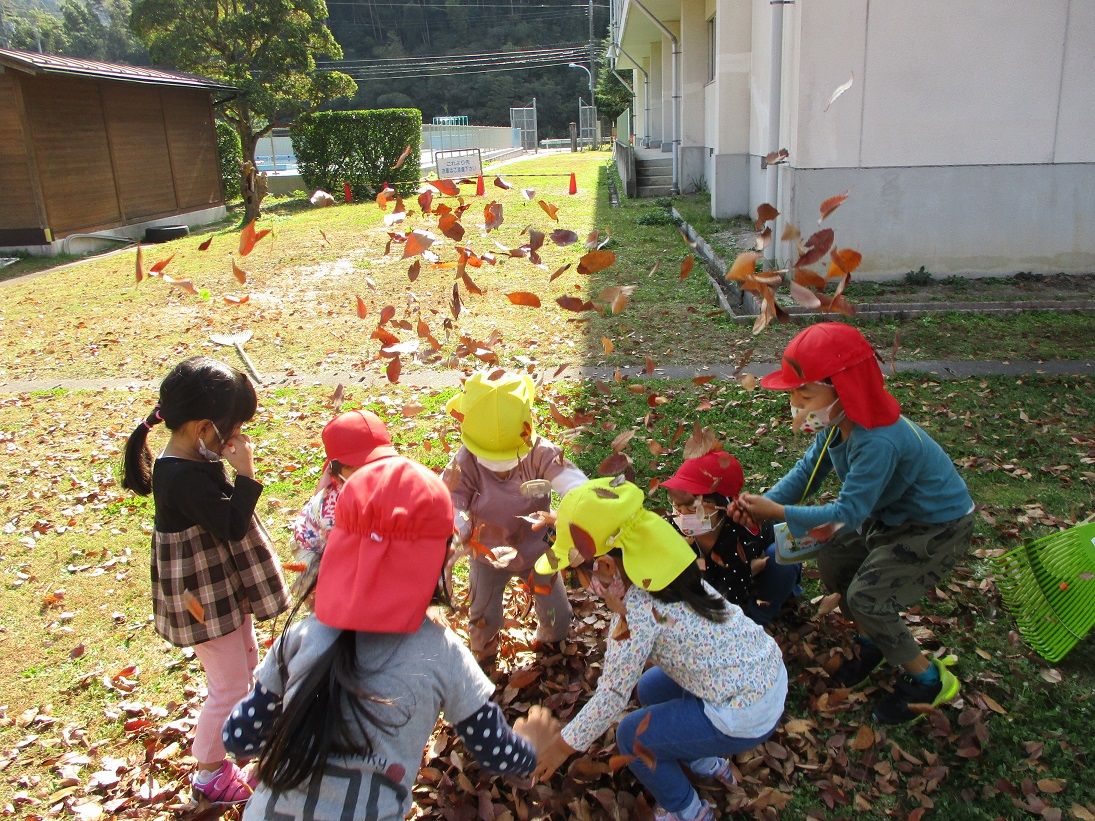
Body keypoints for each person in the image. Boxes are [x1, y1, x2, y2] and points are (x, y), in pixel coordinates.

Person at [222, 455, 555, 820]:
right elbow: (493, 750)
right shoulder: (441, 653)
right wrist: (531, 750)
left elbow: (239, 738)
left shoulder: (302, 635)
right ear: (439, 561)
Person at [732, 322, 975, 725]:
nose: (796, 403)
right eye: (794, 392)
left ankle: (929, 681)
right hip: (891, 518)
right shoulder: (840, 425)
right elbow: (808, 470)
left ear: (842, 389)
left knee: (867, 596)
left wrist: (778, 513)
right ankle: (876, 640)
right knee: (835, 561)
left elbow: (848, 513)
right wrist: (765, 502)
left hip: (936, 528)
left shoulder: (876, 440)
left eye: (804, 393)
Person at [527, 478, 788, 821]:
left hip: (744, 714)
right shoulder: (668, 569)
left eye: (578, 574)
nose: (581, 584)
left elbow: (612, 695)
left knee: (631, 736)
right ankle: (702, 758)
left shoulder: (637, 615)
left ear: (606, 567)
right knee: (650, 686)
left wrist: (560, 747)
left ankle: (688, 809)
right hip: (763, 677)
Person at [121, 357, 290, 805]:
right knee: (229, 684)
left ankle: (243, 731)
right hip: (200, 595)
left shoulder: (189, 457)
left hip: (216, 585)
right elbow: (233, 524)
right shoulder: (179, 476)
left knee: (246, 657)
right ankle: (210, 773)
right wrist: (247, 474)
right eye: (231, 429)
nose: (236, 438)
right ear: (203, 429)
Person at [442, 370, 587, 662]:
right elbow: (451, 499)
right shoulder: (466, 460)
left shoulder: (540, 453)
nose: (498, 465)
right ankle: (483, 654)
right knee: (483, 613)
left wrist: (580, 501)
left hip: (537, 546)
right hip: (488, 552)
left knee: (556, 610)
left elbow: (571, 481)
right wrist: (458, 528)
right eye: (490, 458)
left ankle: (551, 641)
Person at [661, 450, 802, 625]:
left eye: (692, 507)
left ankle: (758, 618)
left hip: (753, 576)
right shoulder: (674, 526)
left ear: (723, 507)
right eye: (676, 503)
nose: (680, 512)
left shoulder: (740, 537)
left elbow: (731, 596)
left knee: (781, 558)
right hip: (724, 576)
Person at [289, 409, 397, 596]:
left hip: (356, 534)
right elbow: (344, 556)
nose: (372, 474)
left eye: (379, 464)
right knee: (333, 588)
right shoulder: (333, 512)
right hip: (314, 548)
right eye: (359, 469)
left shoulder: (389, 482)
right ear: (337, 476)